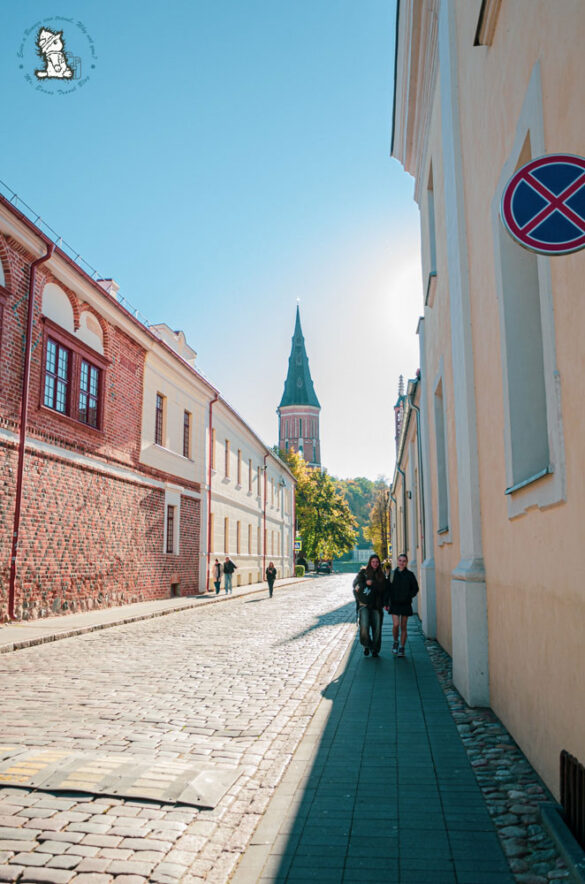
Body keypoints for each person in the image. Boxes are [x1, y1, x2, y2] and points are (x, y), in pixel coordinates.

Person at [352, 554, 387, 658]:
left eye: (376, 562)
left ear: (379, 563)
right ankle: (366, 645)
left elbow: (384, 589)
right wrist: (366, 584)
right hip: (364, 604)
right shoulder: (363, 573)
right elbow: (356, 585)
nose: (375, 564)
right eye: (373, 562)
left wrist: (385, 603)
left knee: (377, 629)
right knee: (364, 627)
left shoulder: (382, 575)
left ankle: (375, 649)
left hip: (376, 606)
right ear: (369, 562)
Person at [385, 553, 419, 657]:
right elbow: (388, 589)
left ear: (406, 562)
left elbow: (415, 588)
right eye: (400, 560)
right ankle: (396, 641)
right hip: (394, 604)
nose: (402, 563)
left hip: (405, 604)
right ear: (397, 561)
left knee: (403, 626)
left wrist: (408, 596)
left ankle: (402, 647)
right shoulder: (392, 574)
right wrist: (387, 603)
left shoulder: (410, 575)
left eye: (404, 561)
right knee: (396, 625)